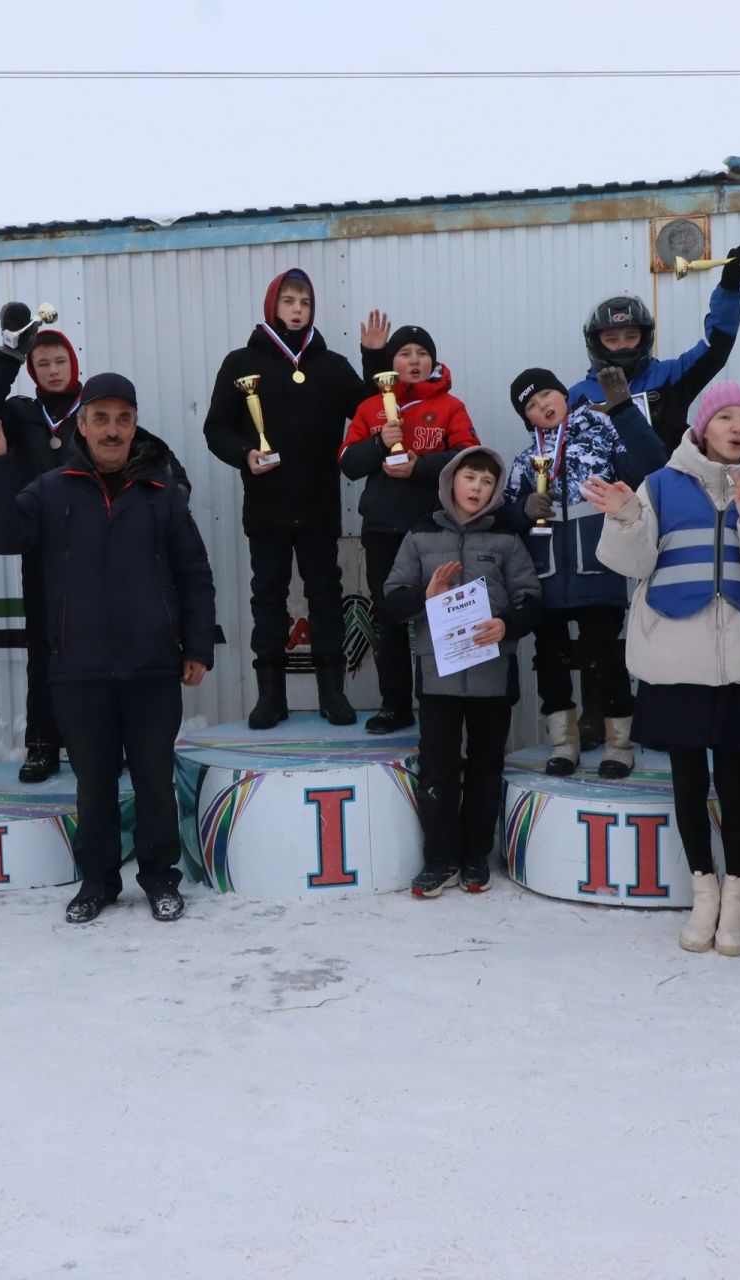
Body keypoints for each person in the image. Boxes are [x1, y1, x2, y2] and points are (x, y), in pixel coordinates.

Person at [0, 373, 216, 924]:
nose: (113, 429)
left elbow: (194, 573)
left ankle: (159, 877)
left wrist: (196, 644)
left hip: (152, 666)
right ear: (82, 424)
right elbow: (3, 537)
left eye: (123, 419)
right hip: (78, 669)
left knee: (154, 779)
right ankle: (97, 880)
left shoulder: (161, 493)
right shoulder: (51, 490)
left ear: (134, 426)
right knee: (94, 785)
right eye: (100, 418)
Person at [589, 382, 740, 955]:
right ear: (702, 427)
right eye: (726, 417)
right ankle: (703, 889)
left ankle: (735, 896)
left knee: (734, 784)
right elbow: (630, 565)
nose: (738, 428)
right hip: (673, 655)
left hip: (737, 658)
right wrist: (627, 518)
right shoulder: (660, 485)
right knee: (688, 782)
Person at [0, 307, 189, 782]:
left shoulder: (99, 414)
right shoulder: (21, 412)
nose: (52, 370)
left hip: (103, 549)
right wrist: (9, 353)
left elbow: (168, 476)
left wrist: (155, 516)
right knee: (46, 648)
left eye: (59, 360)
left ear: (74, 364)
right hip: (42, 548)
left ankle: (123, 741)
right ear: (32, 369)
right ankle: (42, 744)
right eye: (41, 363)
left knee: (114, 644)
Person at [203, 268, 365, 729]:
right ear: (272, 305)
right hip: (267, 505)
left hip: (318, 505)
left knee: (326, 595)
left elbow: (369, 408)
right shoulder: (240, 363)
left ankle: (333, 693)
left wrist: (374, 358)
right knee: (268, 598)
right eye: (289, 301)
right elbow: (216, 428)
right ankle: (269, 697)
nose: (297, 309)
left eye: (305, 303)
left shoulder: (331, 365)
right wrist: (245, 455)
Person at [382, 446, 541, 896]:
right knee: (438, 769)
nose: (477, 487)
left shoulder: (508, 539)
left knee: (487, 767)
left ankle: (475, 858)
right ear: (451, 480)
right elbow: (391, 599)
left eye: (488, 482)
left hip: (493, 675)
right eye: (470, 477)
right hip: (438, 677)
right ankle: (440, 861)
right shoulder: (419, 536)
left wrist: (507, 623)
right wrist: (424, 598)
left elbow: (531, 598)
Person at [499, 367, 665, 777]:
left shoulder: (601, 430)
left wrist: (624, 409)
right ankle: (563, 744)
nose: (544, 408)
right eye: (533, 407)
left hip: (599, 566)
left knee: (604, 657)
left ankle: (619, 745)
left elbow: (651, 464)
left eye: (548, 397)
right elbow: (503, 514)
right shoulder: (525, 458)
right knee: (550, 661)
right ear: (527, 420)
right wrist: (522, 511)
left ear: (564, 395)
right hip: (546, 573)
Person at [338, 325, 481, 734]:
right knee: (389, 620)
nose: (414, 360)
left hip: (435, 529)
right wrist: (381, 443)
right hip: (383, 529)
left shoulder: (451, 406)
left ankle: (442, 704)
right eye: (404, 353)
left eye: (422, 353)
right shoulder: (371, 409)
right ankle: (394, 706)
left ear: (433, 361)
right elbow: (349, 463)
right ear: (391, 364)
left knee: (443, 616)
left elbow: (469, 460)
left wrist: (420, 466)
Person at [567, 245, 740, 447]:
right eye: (612, 339)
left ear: (645, 337)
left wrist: (730, 288)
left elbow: (716, 347)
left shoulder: (670, 375)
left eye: (631, 336)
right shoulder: (577, 396)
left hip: (664, 478)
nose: (623, 346)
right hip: (601, 479)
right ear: (596, 343)